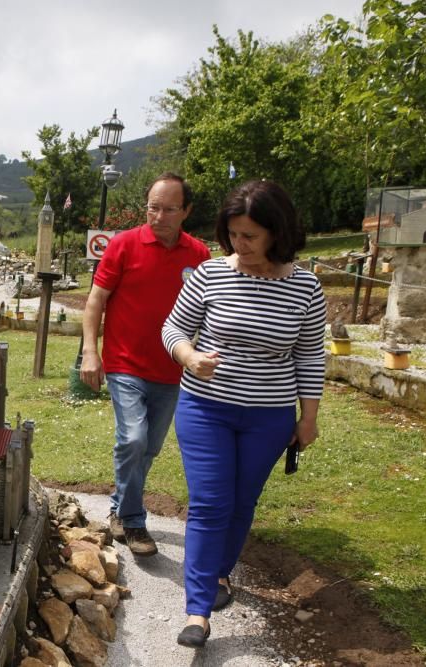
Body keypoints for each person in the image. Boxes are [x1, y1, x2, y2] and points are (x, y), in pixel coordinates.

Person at [161, 180, 326, 648]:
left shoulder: (306, 287)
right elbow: (174, 328)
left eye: (251, 235)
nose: (240, 244)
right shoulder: (210, 275)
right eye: (233, 234)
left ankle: (219, 575)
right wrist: (189, 358)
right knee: (211, 503)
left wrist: (307, 418)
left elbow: (311, 356)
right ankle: (197, 611)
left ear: (277, 232)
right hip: (204, 408)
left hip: (268, 416)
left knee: (240, 503)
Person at [80, 172, 210, 556]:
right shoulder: (123, 245)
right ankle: (135, 524)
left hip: (173, 370)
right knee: (133, 438)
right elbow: (95, 301)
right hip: (125, 364)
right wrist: (91, 351)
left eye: (170, 209)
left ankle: (119, 509)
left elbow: (210, 311)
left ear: (186, 211)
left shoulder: (199, 255)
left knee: (149, 448)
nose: (160, 216)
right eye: (154, 207)